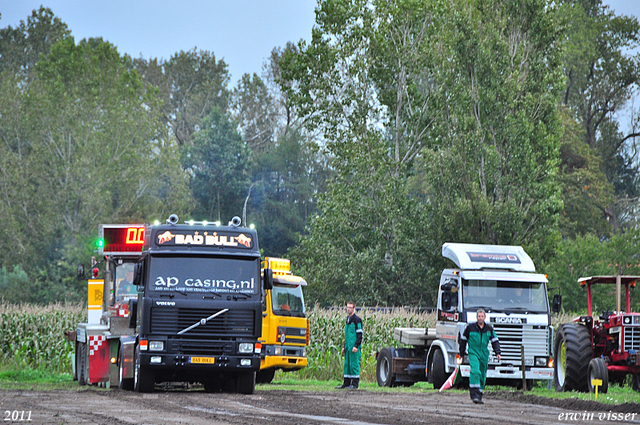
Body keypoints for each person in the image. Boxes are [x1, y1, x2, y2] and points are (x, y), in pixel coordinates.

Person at [458, 309, 501, 404]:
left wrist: (498, 353)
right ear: (476, 317)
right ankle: (474, 394)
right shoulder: (470, 328)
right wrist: (461, 354)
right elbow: (463, 341)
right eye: (479, 316)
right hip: (473, 352)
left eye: (482, 316)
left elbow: (495, 341)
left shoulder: (489, 329)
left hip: (484, 354)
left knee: (482, 374)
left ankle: (479, 394)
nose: (480, 318)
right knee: (475, 371)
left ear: (484, 317)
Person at [335, 301, 363, 389]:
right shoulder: (347, 319)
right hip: (348, 347)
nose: (348, 309)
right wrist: (344, 347)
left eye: (350, 307)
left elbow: (359, 335)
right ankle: (346, 383)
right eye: (347, 307)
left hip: (354, 347)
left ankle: (354, 384)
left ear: (354, 308)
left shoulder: (357, 320)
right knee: (347, 365)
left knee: (354, 364)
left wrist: (356, 346)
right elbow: (347, 335)